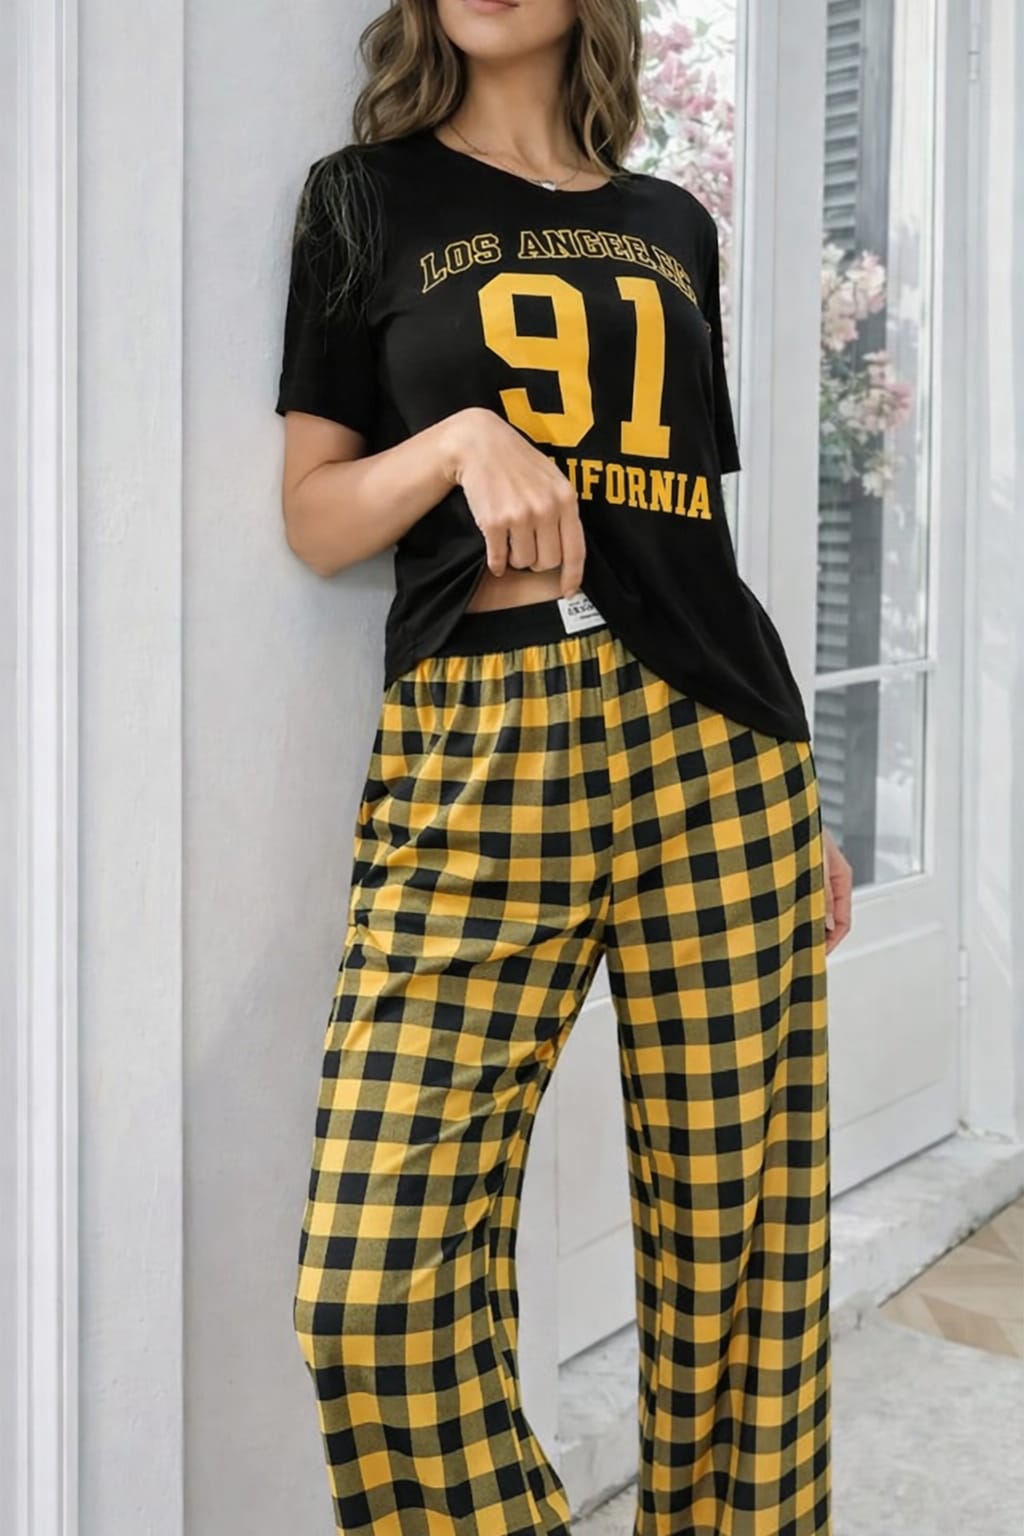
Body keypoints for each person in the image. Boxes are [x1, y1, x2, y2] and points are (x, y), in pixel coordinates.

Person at [274, 1, 853, 1531]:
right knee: (371, 1289)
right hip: (483, 745)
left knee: (741, 1255)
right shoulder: (363, 197)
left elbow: (693, 538)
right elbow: (316, 516)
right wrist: (457, 442)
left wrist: (803, 794)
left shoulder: (673, 223)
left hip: (721, 754)